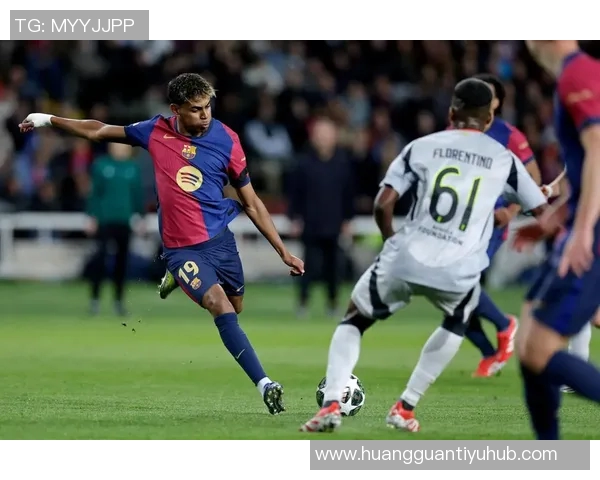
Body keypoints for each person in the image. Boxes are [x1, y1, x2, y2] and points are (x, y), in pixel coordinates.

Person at [19, 73, 305, 415]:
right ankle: (265, 384)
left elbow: (252, 202)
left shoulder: (228, 140)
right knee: (220, 306)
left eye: (208, 106)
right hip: (181, 249)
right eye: (196, 109)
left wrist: (284, 252)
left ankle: (179, 280)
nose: (205, 114)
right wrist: (48, 119)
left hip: (220, 240)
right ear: (176, 109)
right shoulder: (155, 131)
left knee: (236, 305)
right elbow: (99, 130)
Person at [300, 78, 548, 433]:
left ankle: (330, 405)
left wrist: (391, 240)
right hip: (459, 268)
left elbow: (384, 203)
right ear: (489, 119)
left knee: (354, 320)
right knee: (457, 321)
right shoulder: (504, 159)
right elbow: (542, 212)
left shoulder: (421, 146)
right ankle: (405, 407)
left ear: (451, 112)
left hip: (406, 256)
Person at [512, 40, 600, 439]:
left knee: (540, 349)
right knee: (530, 345)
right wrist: (555, 218)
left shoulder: (577, 73)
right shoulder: (574, 74)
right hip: (584, 223)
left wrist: (583, 230)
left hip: (594, 231)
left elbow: (598, 150)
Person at [463, 73, 542, 378]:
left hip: (491, 224)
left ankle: (502, 327)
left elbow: (532, 177)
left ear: (497, 102)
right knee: (454, 295)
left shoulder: (509, 135)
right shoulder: (456, 130)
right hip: (458, 221)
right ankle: (491, 351)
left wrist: (511, 209)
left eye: (488, 93)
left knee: (459, 285)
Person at [288, 117, 354, 317]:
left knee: (334, 267)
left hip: (334, 223)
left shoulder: (342, 164)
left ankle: (333, 303)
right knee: (307, 266)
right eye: (320, 134)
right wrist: (295, 218)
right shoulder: (303, 163)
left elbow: (348, 195)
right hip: (311, 223)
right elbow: (295, 193)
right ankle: (303, 302)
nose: (323, 138)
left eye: (327, 134)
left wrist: (347, 220)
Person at [86, 142, 145, 316]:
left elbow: (137, 195)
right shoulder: (101, 165)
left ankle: (119, 301)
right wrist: (91, 216)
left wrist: (139, 217)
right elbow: (94, 193)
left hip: (124, 221)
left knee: (122, 262)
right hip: (105, 220)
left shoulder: (132, 168)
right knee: (100, 260)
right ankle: (95, 299)